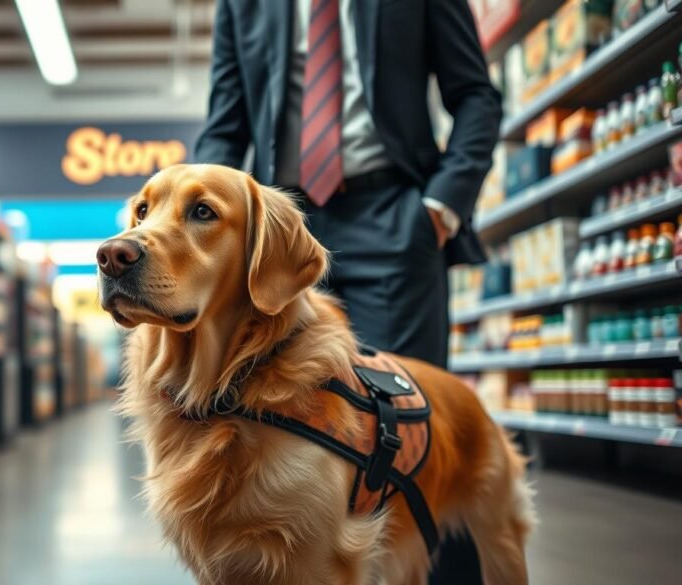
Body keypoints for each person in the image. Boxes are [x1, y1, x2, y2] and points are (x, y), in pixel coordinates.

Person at [194, 0, 502, 582]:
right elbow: (226, 124)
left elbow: (476, 96)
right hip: (280, 232)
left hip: (394, 214)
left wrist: (439, 208)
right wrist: (198, 230)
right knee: (277, 428)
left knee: (414, 430)